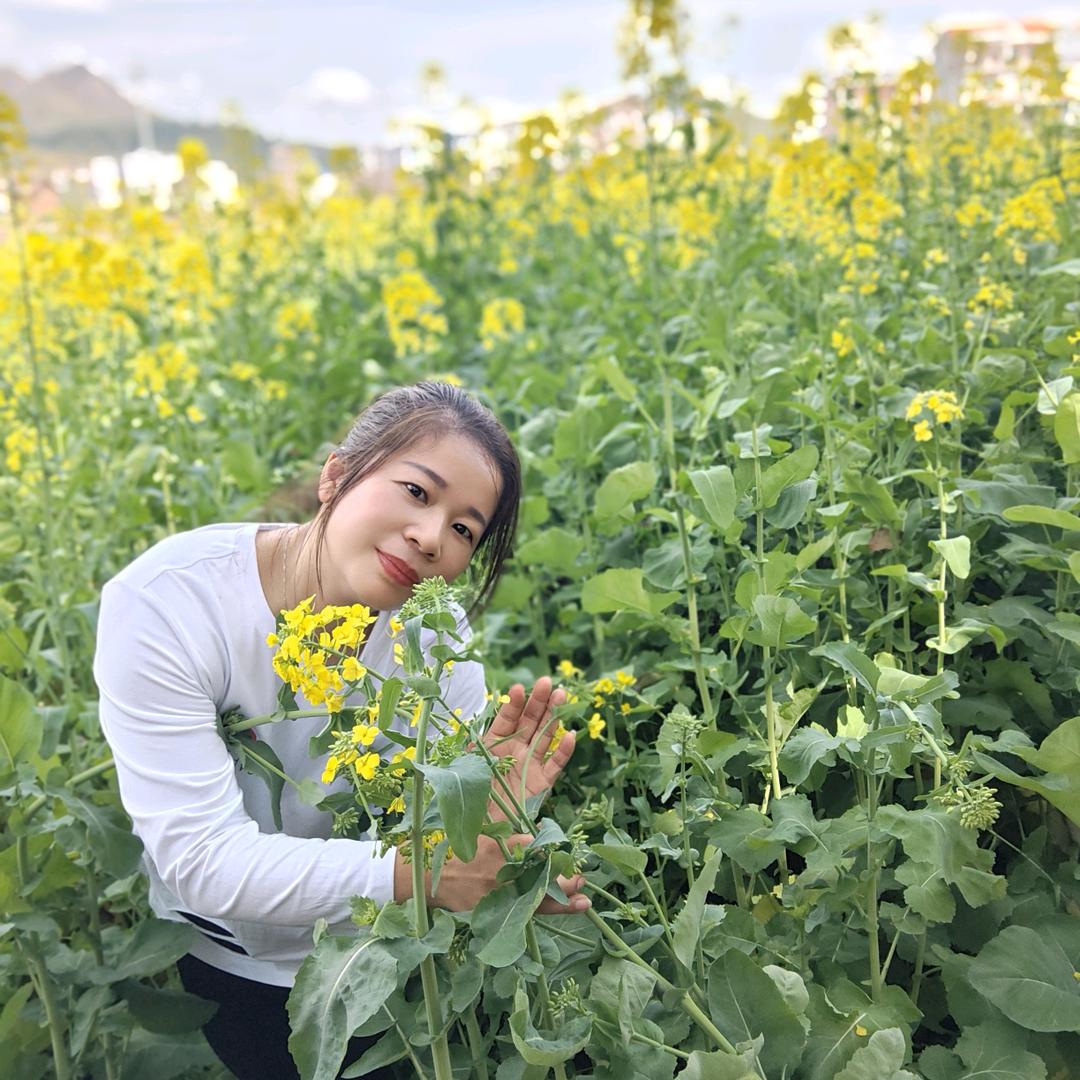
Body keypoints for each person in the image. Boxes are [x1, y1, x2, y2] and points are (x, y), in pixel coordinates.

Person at [92, 382, 589, 1080]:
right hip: (243, 966)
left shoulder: (434, 631)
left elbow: (457, 857)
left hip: (398, 947)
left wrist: (495, 823)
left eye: (463, 529)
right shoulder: (170, 604)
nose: (429, 538)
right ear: (336, 475)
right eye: (418, 492)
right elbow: (200, 864)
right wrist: (425, 873)